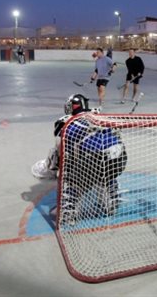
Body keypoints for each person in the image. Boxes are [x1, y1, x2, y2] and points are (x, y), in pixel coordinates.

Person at [31, 94, 126, 225]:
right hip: (119, 157)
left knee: (72, 172)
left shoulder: (66, 120)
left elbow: (60, 148)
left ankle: (68, 211)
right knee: (107, 170)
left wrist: (53, 166)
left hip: (92, 160)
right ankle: (111, 200)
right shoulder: (98, 115)